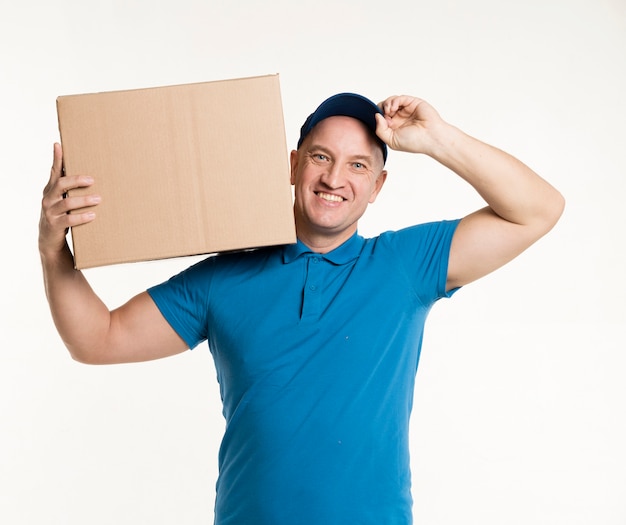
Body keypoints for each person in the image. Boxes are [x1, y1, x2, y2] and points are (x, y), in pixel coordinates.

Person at [39, 92, 565, 524]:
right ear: (293, 165)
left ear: (378, 186)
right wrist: (52, 251)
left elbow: (537, 210)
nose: (335, 179)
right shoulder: (224, 277)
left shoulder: (404, 266)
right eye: (321, 157)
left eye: (359, 165)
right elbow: (97, 339)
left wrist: (437, 139)